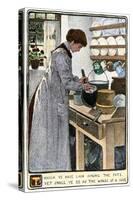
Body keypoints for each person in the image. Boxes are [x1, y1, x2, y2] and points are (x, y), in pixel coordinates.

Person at [29, 29, 92, 172]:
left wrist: (78, 80)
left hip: (53, 95)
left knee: (52, 135)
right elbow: (66, 83)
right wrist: (83, 86)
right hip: (50, 99)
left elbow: (65, 77)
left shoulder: (63, 52)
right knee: (50, 135)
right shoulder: (61, 55)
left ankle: (53, 166)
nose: (78, 50)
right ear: (73, 42)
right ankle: (51, 167)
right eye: (79, 47)